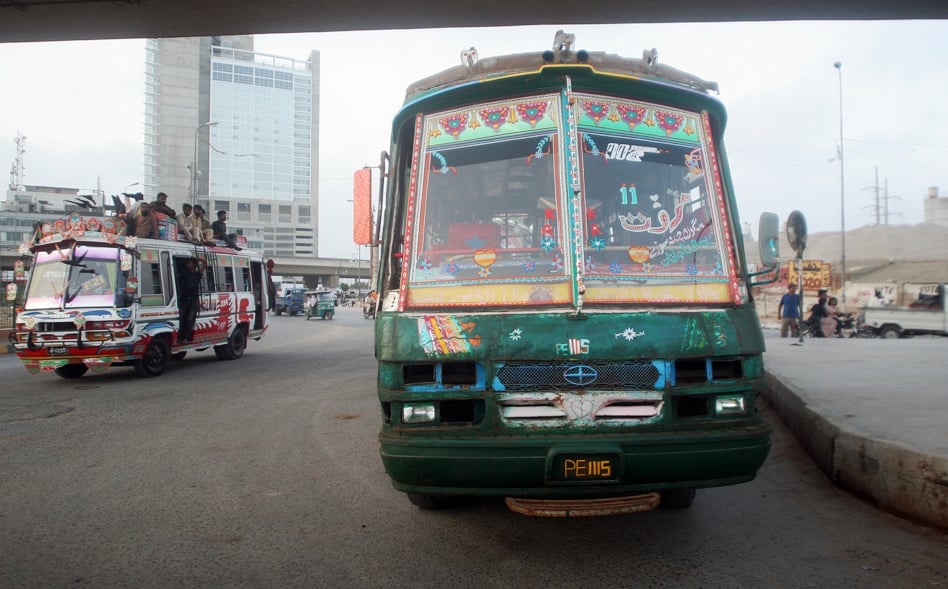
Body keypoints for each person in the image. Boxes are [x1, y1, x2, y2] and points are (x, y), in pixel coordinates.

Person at [177, 256, 206, 344]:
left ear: (194, 265)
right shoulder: (184, 273)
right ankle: (180, 337)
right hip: (184, 299)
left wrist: (198, 258)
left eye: (189, 263)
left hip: (193, 300)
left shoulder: (197, 274)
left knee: (190, 319)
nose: (187, 265)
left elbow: (204, 264)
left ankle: (185, 337)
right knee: (182, 318)